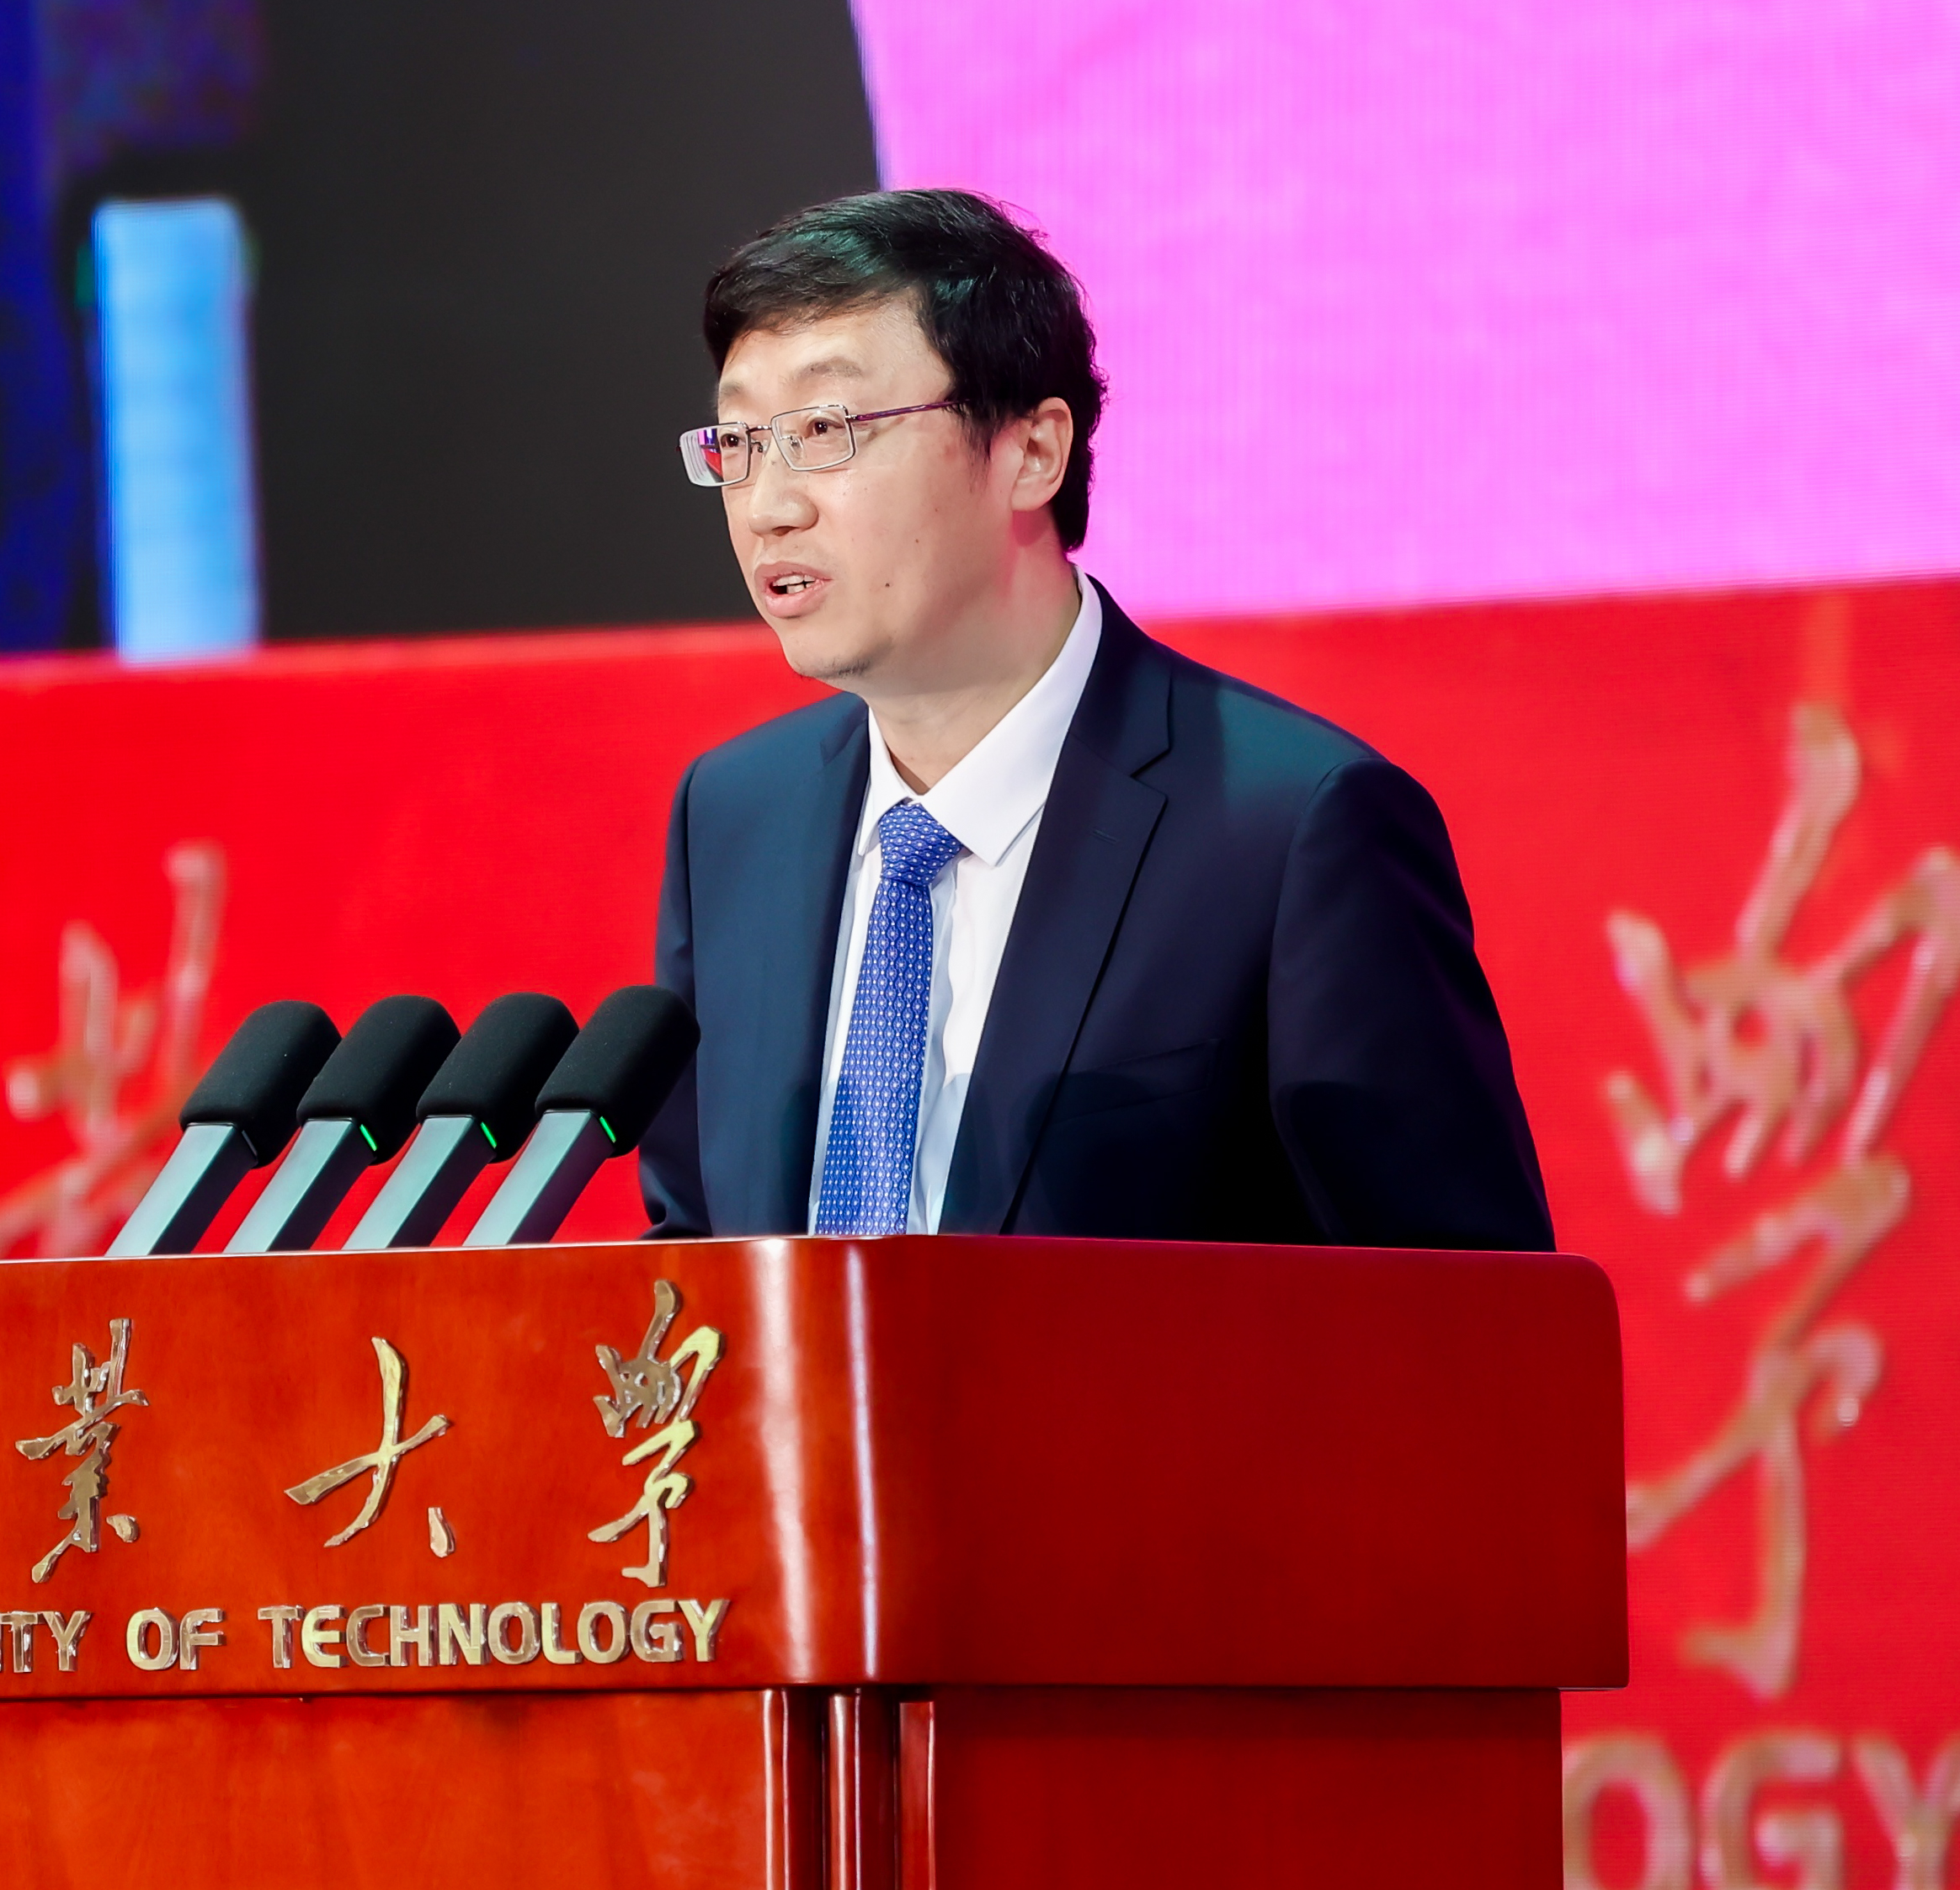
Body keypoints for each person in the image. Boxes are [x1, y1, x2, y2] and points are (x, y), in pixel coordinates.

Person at [639, 189, 1553, 1249]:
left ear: (1032, 451)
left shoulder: (1290, 830)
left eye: (824, 431)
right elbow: (697, 1256)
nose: (768, 505)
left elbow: (1469, 1311)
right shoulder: (733, 815)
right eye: (740, 442)